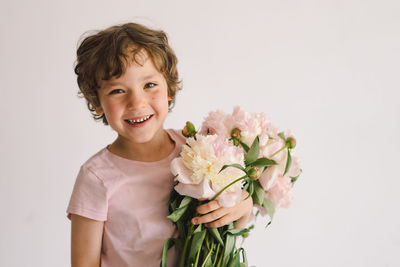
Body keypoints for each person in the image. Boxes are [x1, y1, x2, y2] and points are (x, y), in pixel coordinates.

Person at [67, 22, 253, 267]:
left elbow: (232, 222)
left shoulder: (198, 150)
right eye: (118, 91)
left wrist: (244, 205)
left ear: (170, 89)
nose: (137, 102)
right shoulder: (96, 177)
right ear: (97, 103)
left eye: (149, 85)